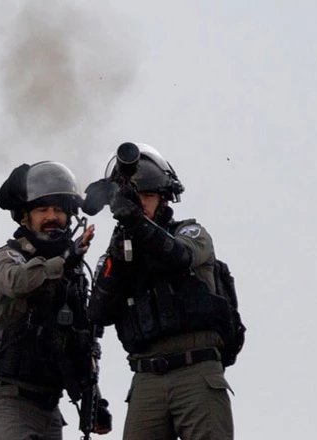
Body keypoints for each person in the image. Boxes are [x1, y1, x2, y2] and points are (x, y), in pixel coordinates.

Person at [87, 143, 244, 440]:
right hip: (146, 375)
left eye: (148, 196)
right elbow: (99, 313)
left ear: (163, 198)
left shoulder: (190, 232)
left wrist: (136, 223)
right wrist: (119, 256)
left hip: (195, 368)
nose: (142, 203)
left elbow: (178, 256)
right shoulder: (119, 251)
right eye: (135, 198)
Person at [0, 161, 111, 440]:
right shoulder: (6, 257)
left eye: (58, 209)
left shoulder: (71, 274)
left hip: (48, 406)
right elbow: (18, 282)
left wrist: (94, 401)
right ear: (24, 217)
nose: (51, 217)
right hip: (5, 399)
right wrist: (65, 261)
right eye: (42, 210)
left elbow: (81, 341)